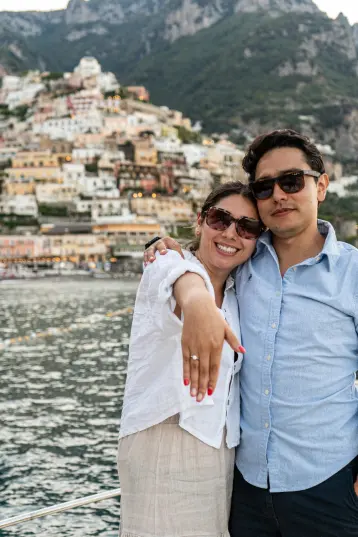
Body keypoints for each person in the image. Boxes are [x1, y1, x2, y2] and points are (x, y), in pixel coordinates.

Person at [144, 129, 358, 536]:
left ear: (322, 186)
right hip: (246, 489)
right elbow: (193, 262)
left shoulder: (353, 274)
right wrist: (163, 246)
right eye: (264, 187)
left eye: (291, 181)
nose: (278, 195)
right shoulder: (243, 258)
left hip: (329, 485)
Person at [118, 181, 264, 537]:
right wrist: (199, 304)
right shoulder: (169, 262)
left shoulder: (238, 291)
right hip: (165, 440)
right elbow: (182, 281)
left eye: (247, 227)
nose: (231, 232)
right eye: (220, 219)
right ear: (200, 221)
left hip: (221, 449)